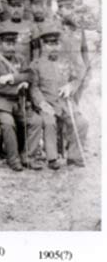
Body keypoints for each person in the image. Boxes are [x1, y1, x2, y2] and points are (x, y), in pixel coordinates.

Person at [30, 30, 88, 168]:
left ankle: (74, 157)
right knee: (49, 122)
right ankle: (52, 158)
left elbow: (76, 79)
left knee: (82, 123)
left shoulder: (66, 62)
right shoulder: (35, 65)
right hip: (47, 103)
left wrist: (71, 86)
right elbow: (34, 88)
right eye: (49, 44)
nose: (53, 47)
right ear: (43, 46)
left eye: (55, 43)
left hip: (65, 103)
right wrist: (42, 103)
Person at [0, 30, 37, 171]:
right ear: (0, 44)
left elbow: (30, 75)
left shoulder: (20, 58)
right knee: (8, 124)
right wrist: (17, 87)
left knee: (35, 121)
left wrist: (12, 78)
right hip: (0, 102)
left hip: (19, 102)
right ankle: (13, 159)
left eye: (13, 43)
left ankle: (27, 156)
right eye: (8, 43)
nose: (11, 47)